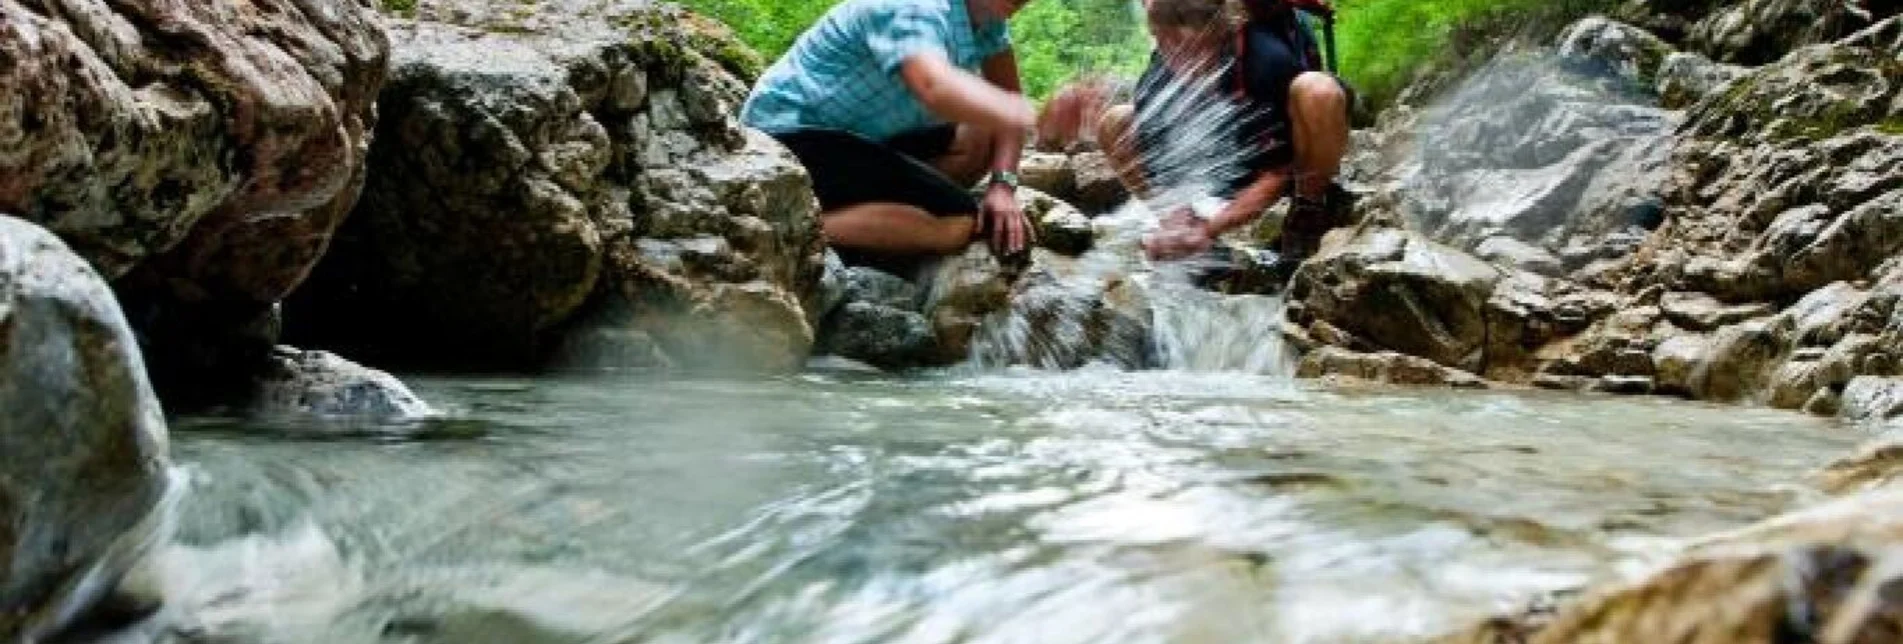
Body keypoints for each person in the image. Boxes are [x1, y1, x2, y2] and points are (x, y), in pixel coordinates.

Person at [741, 0, 1040, 271]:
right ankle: (789, 229)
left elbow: (1006, 102)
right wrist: (1035, 116)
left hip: (858, 140)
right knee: (959, 222)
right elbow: (933, 86)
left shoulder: (986, 20)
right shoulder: (914, 6)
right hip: (784, 139)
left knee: (982, 134)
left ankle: (877, 221)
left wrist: (1003, 186)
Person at [1095, 0, 1354, 262]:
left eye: (1192, 50)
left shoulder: (1265, 60)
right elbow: (1161, 170)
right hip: (1225, 170)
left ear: (1219, 35)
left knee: (1319, 91)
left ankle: (1308, 209)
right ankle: (1180, 224)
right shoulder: (1158, 82)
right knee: (1114, 123)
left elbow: (1279, 173)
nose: (1182, 63)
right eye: (1169, 49)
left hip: (1289, 162)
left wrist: (1210, 230)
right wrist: (1181, 226)